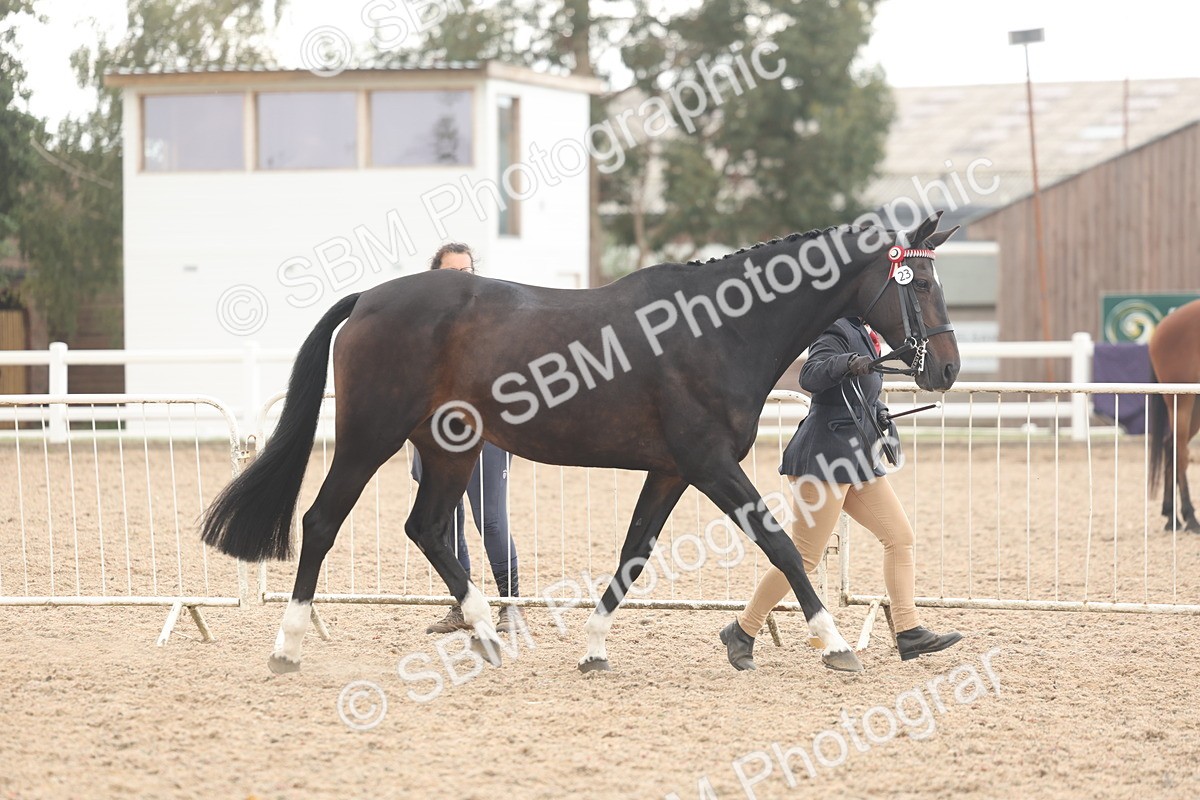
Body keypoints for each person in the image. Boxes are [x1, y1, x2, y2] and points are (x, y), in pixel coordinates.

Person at [719, 316, 961, 670]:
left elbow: (865, 393)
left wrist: (881, 417)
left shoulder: (865, 334)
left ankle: (908, 631)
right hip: (823, 459)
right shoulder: (833, 329)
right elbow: (811, 375)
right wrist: (846, 363)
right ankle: (743, 629)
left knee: (900, 537)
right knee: (803, 558)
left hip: (857, 461)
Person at [413, 243, 524, 634]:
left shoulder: (492, 319)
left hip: (485, 431)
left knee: (490, 520)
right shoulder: (420, 323)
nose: (461, 280)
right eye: (452, 273)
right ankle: (462, 603)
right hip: (434, 432)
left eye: (467, 272)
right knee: (446, 522)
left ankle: (510, 605)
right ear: (435, 276)